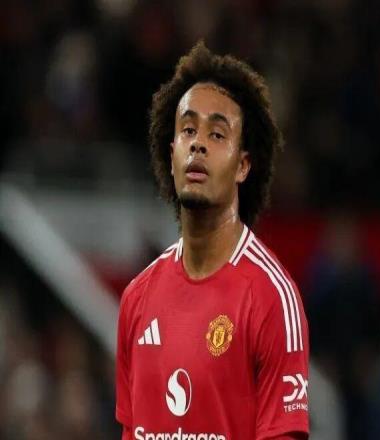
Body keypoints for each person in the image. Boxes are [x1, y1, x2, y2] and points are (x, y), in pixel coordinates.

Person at [115, 41, 309, 440]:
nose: (198, 143)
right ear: (172, 155)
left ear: (243, 166)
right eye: (188, 130)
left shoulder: (271, 298)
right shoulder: (137, 299)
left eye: (217, 134)